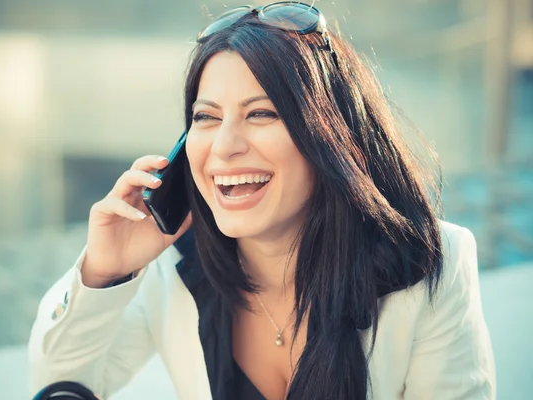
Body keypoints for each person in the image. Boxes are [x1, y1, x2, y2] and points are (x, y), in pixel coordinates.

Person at [28, 3, 496, 399]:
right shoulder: (169, 265)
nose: (225, 145)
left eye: (262, 113)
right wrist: (105, 275)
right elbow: (61, 383)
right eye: (206, 117)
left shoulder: (430, 262)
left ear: (327, 136)